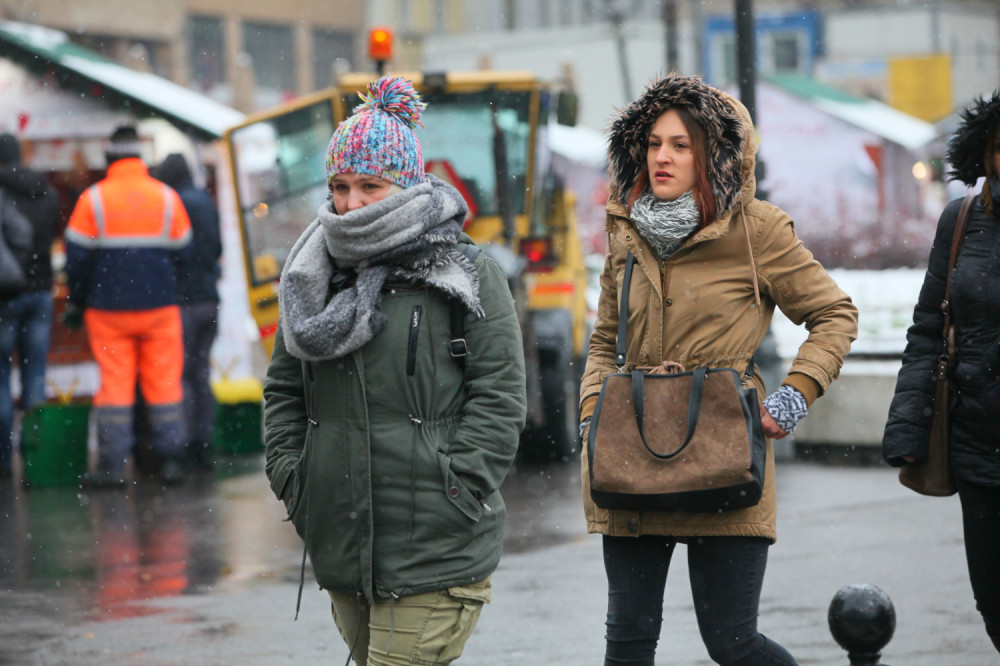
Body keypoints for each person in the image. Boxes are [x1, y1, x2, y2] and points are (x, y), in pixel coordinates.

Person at [578, 74, 858, 665]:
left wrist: (795, 395)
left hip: (725, 451)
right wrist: (591, 417)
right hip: (631, 456)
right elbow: (605, 341)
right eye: (654, 143)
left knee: (734, 644)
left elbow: (834, 314)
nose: (662, 157)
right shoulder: (626, 230)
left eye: (681, 145)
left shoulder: (757, 231)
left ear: (714, 154)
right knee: (626, 646)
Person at [263, 76, 526, 665]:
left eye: (369, 186)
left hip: (435, 544)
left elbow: (500, 396)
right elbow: (284, 388)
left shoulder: (463, 271)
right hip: (342, 539)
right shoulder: (312, 277)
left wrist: (456, 486)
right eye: (339, 186)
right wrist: (294, 476)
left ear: (406, 184)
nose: (351, 203)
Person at [883, 89, 1000, 655]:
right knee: (994, 602)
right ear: (986, 154)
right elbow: (929, 330)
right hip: (979, 449)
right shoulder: (960, 221)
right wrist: (907, 432)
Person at [64, 125, 192, 488]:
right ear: (140, 156)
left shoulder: (93, 199)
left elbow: (76, 259)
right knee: (165, 382)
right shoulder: (166, 197)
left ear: (109, 157)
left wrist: (79, 298)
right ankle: (170, 462)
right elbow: (185, 250)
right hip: (160, 307)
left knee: (116, 385)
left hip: (107, 309)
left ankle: (111, 467)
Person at [157, 153, 222, 471]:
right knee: (201, 373)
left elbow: (177, 254)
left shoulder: (173, 204)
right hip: (210, 299)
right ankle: (203, 443)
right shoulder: (205, 200)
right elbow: (216, 248)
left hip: (183, 302)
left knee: (179, 374)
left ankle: (182, 447)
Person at [0, 131, 56, 479]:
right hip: (41, 291)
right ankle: (38, 459)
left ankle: (4, 461)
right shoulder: (45, 191)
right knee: (35, 375)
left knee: (2, 376)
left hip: (5, 294)